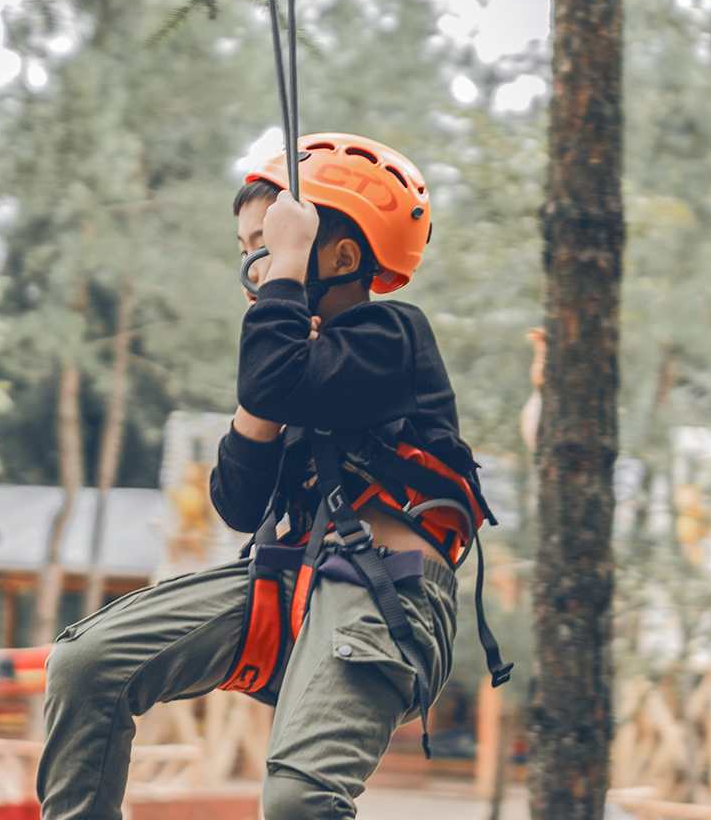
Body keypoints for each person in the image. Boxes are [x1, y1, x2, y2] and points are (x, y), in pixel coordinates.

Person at [36, 133, 507, 820]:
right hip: (290, 580)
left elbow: (277, 377)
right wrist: (263, 394)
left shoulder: (393, 337)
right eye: (252, 249)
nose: (259, 267)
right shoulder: (292, 367)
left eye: (275, 243)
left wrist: (284, 292)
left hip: (386, 590)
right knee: (87, 665)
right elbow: (236, 500)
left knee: (298, 800)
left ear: (343, 257)